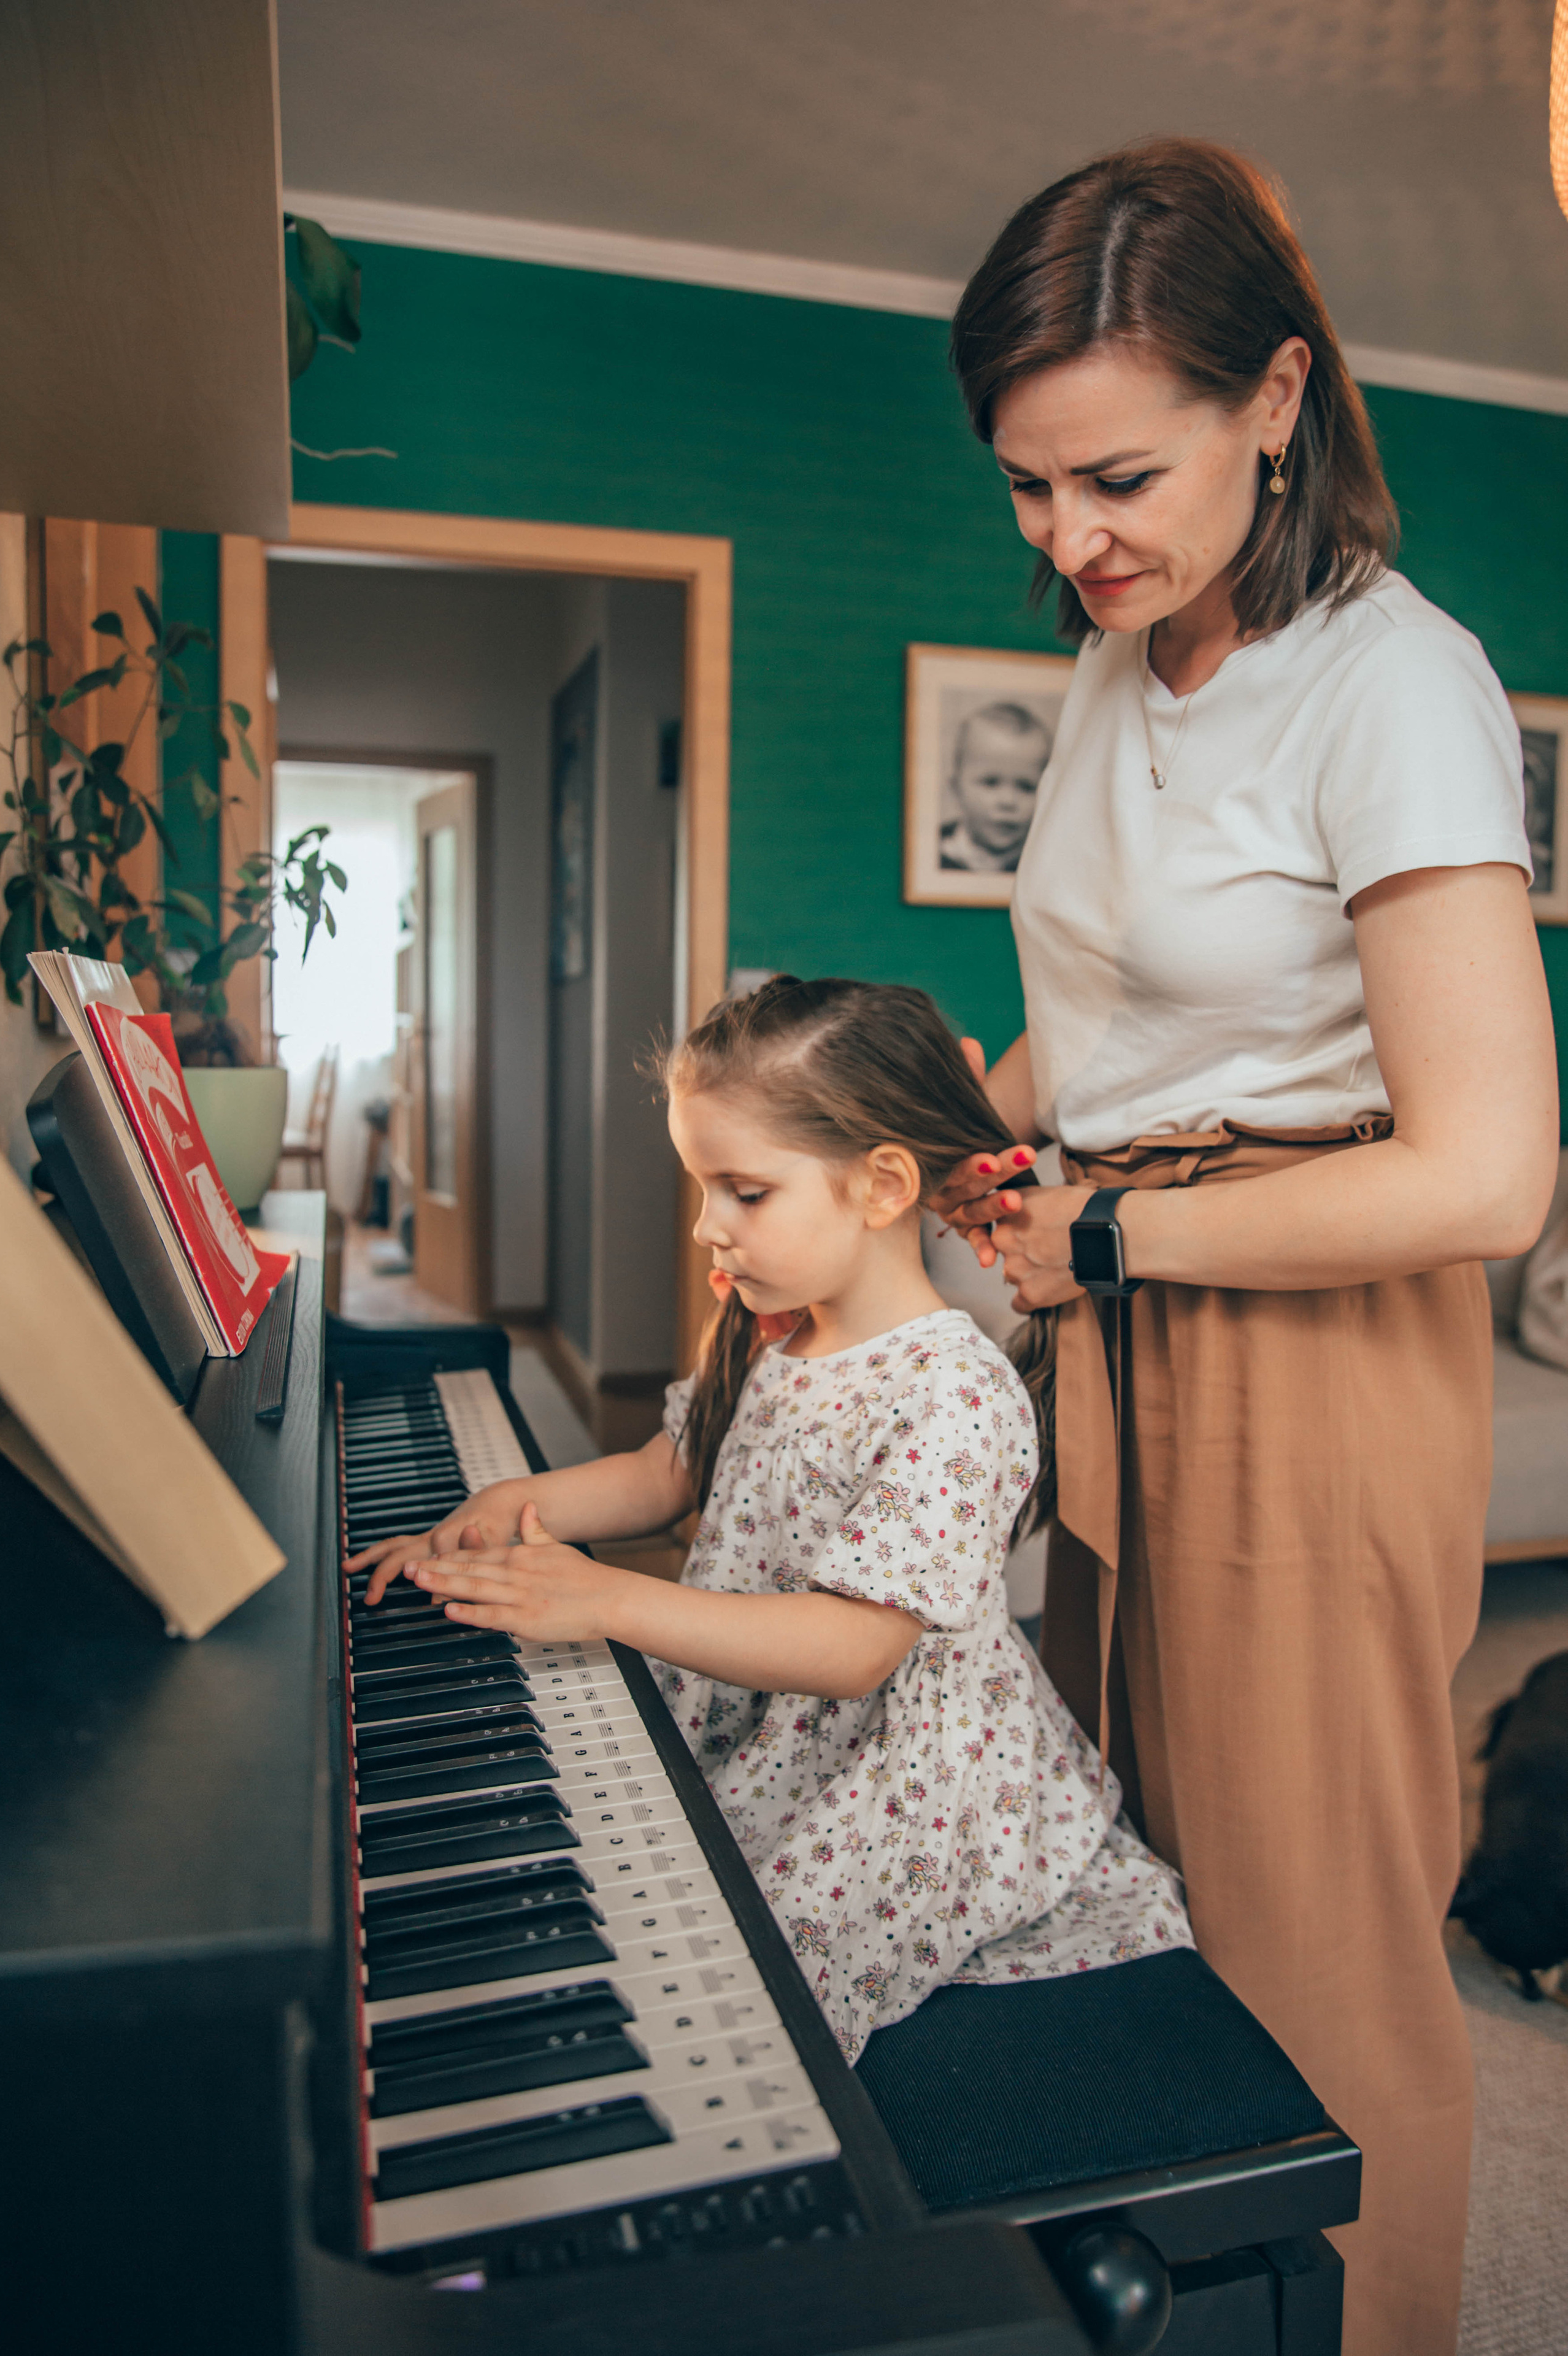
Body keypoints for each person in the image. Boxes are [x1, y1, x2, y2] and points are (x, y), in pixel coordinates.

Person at [929, 137, 1558, 2355]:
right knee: (1138, 1880)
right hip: (1126, 1308)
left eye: (1113, 476)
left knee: (1313, 1947)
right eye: (1027, 488)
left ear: (1273, 397)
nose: (1066, 537)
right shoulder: (1125, 663)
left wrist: (1104, 1235)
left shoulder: (1394, 685)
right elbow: (1112, 1020)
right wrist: (935, 1129)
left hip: (1303, 1340)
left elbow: (1485, 1177)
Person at [353, 977, 1189, 2061]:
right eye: (705, 1188)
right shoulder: (775, 1326)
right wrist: (515, 1505)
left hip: (888, 1780)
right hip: (755, 1711)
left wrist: (605, 1598)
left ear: (881, 1186)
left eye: (743, 1192)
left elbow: (852, 1649)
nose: (709, 1225)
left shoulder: (955, 1396)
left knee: (723, 1992)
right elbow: (668, 1473)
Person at [939, 700, 1053, 871]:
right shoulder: (932, 853)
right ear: (956, 789)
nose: (1008, 801)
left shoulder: (1047, 862)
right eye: (991, 783)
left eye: (1026, 787)